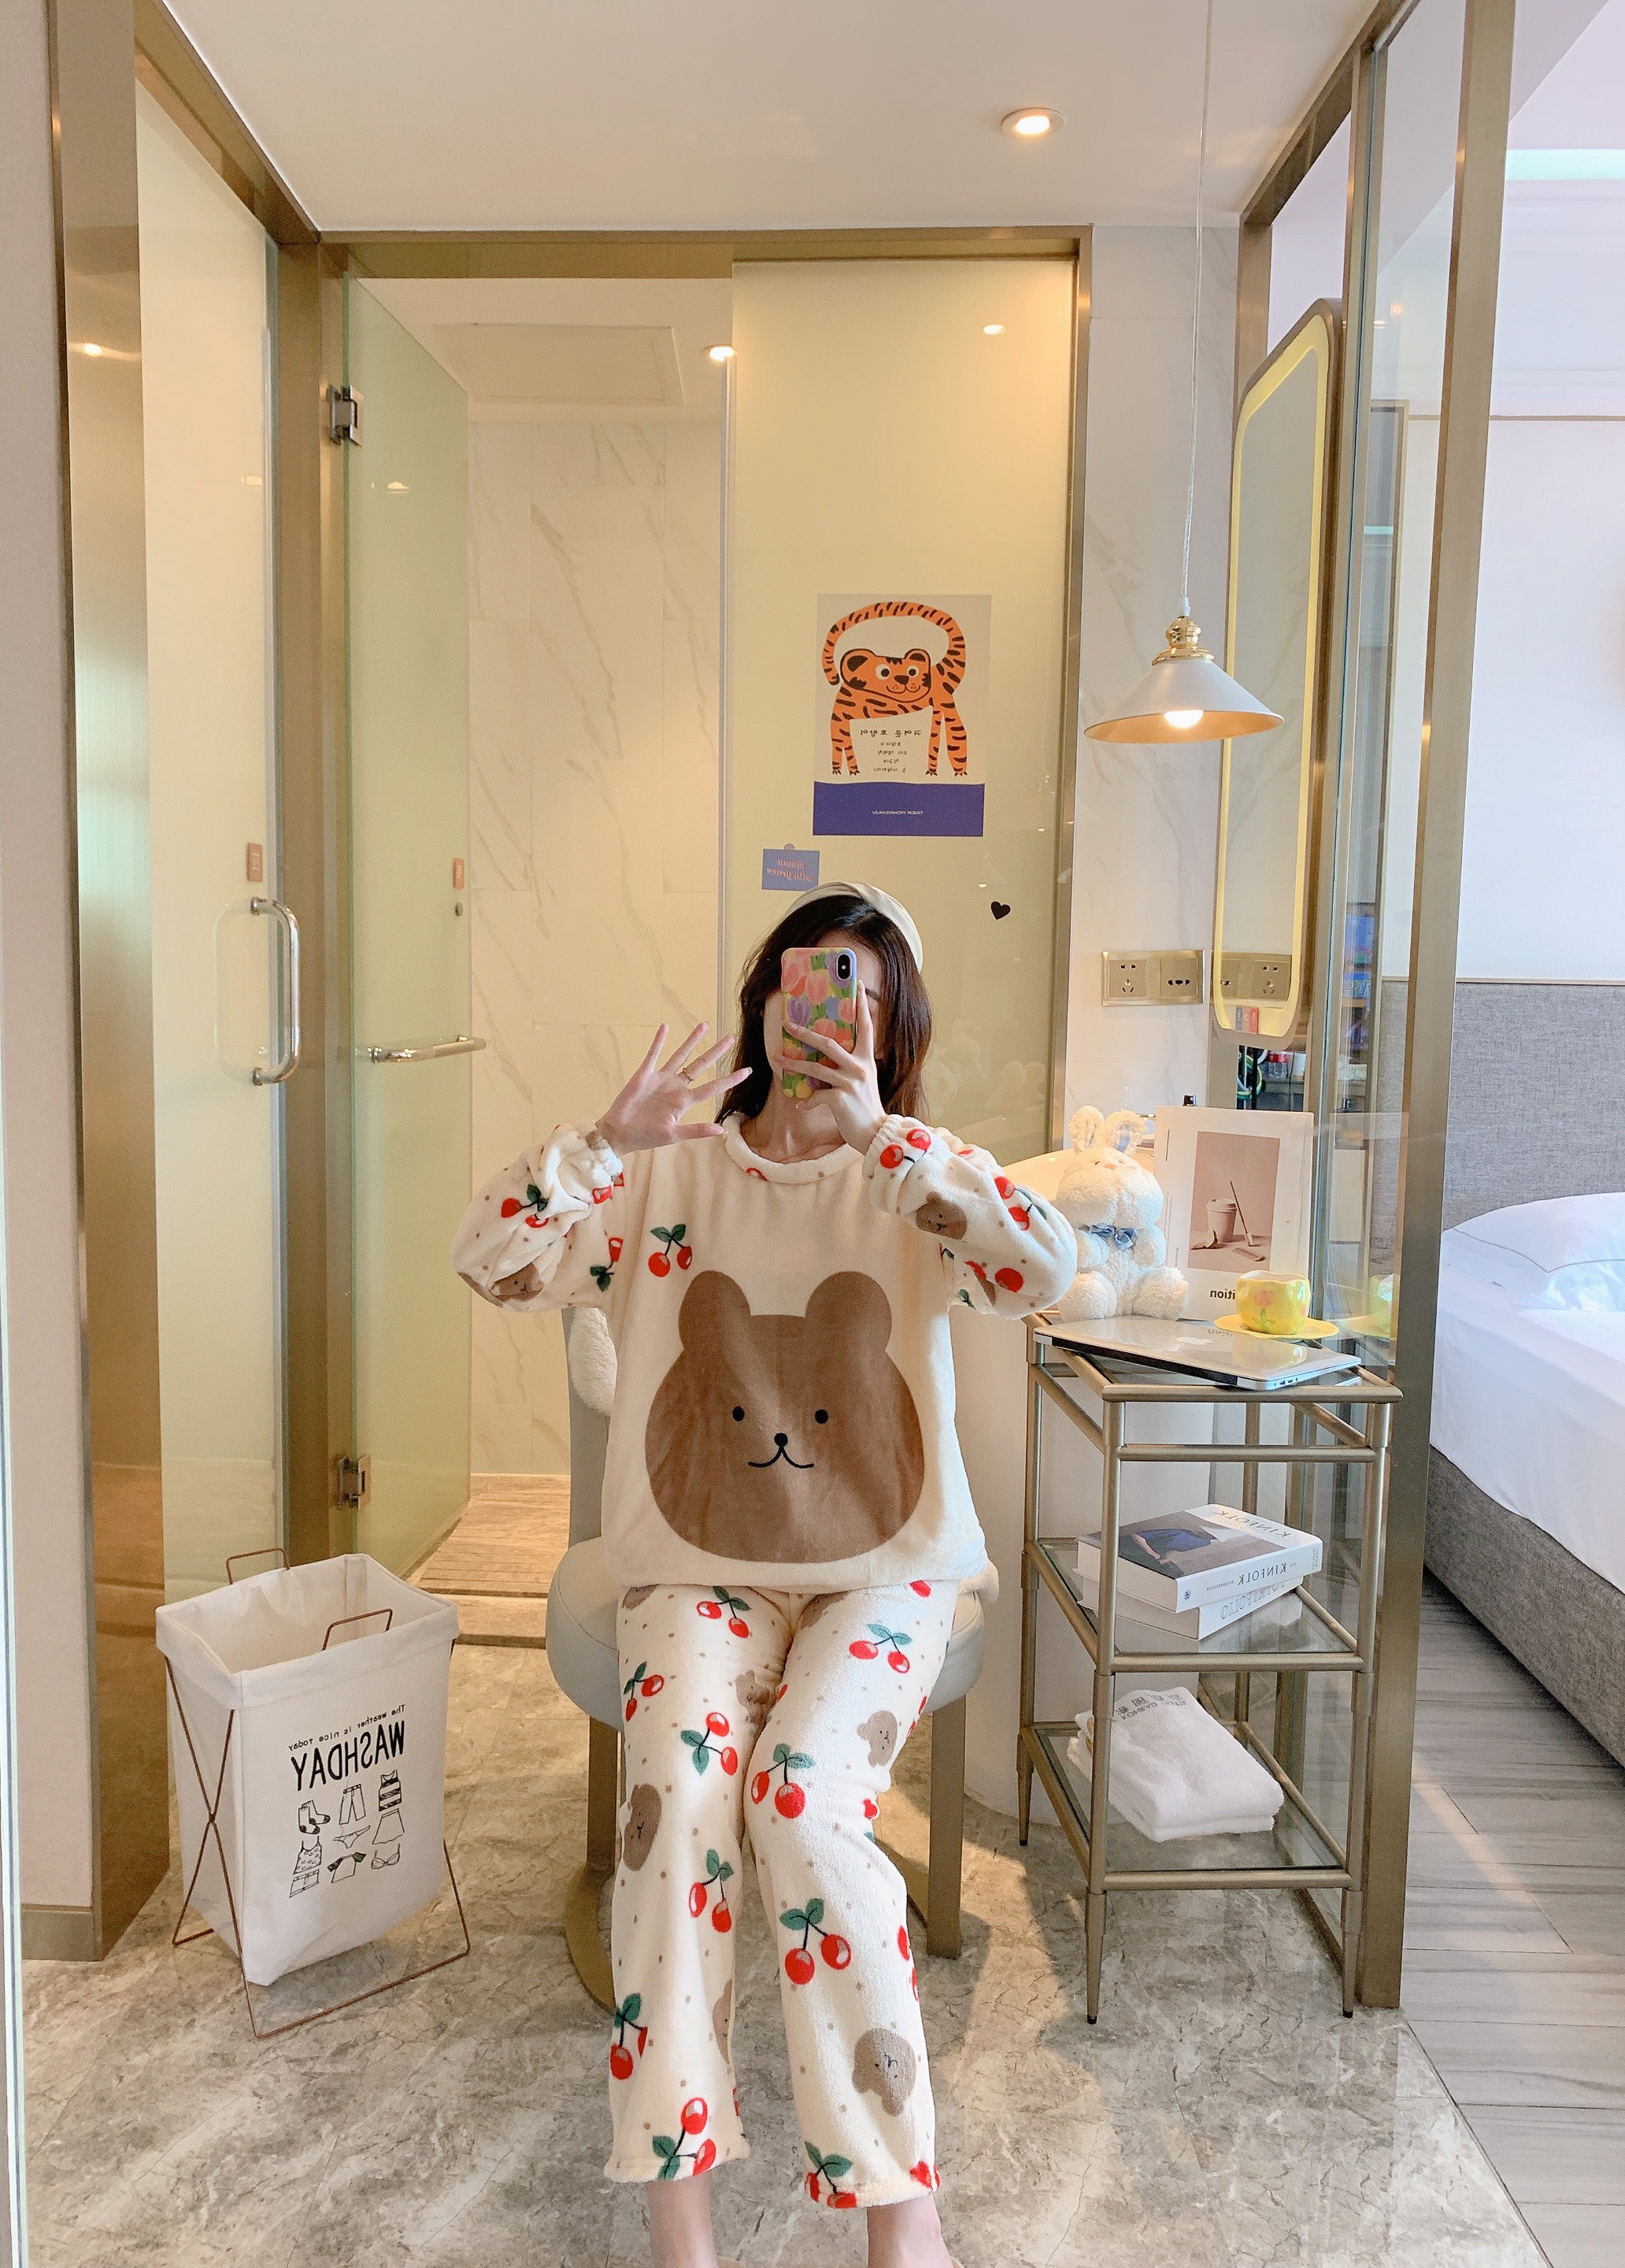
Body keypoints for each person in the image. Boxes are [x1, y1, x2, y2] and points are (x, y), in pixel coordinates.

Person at [453, 883, 1076, 2268]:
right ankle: (680, 2221)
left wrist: (889, 1139)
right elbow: (488, 1263)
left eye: (862, 999)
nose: (827, 1021)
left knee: (802, 1797)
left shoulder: (911, 1181)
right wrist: (598, 1147)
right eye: (808, 988)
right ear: (765, 1005)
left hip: (886, 1574)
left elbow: (1047, 1271)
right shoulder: (665, 1176)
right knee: (676, 1803)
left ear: (893, 1028)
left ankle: (903, 2215)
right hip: (696, 1570)